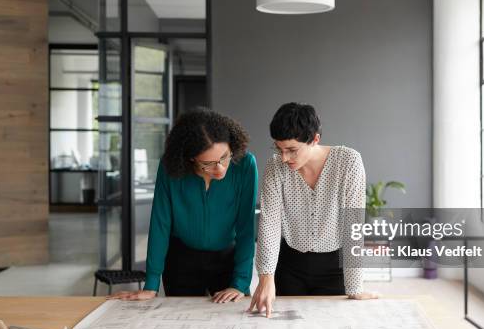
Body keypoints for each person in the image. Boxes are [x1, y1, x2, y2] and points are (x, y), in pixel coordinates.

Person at [109, 108, 258, 303]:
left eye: (224, 157)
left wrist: (240, 283)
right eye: (208, 163)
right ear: (191, 158)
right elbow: (160, 224)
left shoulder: (245, 165)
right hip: (182, 261)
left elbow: (246, 228)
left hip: (227, 260)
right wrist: (151, 284)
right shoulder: (170, 168)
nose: (220, 168)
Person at [249, 102, 377, 317]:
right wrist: (265, 278)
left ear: (315, 139)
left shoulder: (348, 162)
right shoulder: (275, 167)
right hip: (289, 264)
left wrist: (355, 288)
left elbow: (353, 226)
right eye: (278, 149)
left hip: (334, 267)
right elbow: (269, 223)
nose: (284, 158)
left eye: (291, 150)